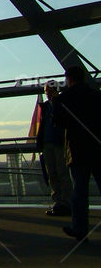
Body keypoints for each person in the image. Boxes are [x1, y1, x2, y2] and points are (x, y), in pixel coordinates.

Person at [52, 66, 101, 241]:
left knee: (80, 191)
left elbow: (58, 123)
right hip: (97, 148)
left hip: (77, 150)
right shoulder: (96, 96)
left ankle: (80, 229)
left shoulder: (63, 99)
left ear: (68, 79)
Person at [37, 82, 72, 217]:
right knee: (53, 173)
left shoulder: (59, 104)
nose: (47, 93)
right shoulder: (47, 106)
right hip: (50, 142)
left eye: (48, 90)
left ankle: (64, 202)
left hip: (57, 142)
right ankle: (60, 202)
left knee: (60, 173)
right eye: (46, 90)